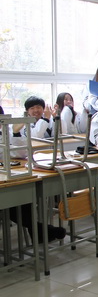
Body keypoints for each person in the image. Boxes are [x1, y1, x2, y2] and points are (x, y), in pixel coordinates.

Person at [8, 97, 65, 243]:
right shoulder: (18, 126)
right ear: (27, 111)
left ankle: (39, 233)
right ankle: (43, 231)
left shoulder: (12, 128)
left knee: (23, 201)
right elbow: (33, 139)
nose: (36, 110)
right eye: (32, 108)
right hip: (29, 165)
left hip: (37, 164)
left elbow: (19, 152)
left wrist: (54, 119)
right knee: (17, 202)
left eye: (38, 107)